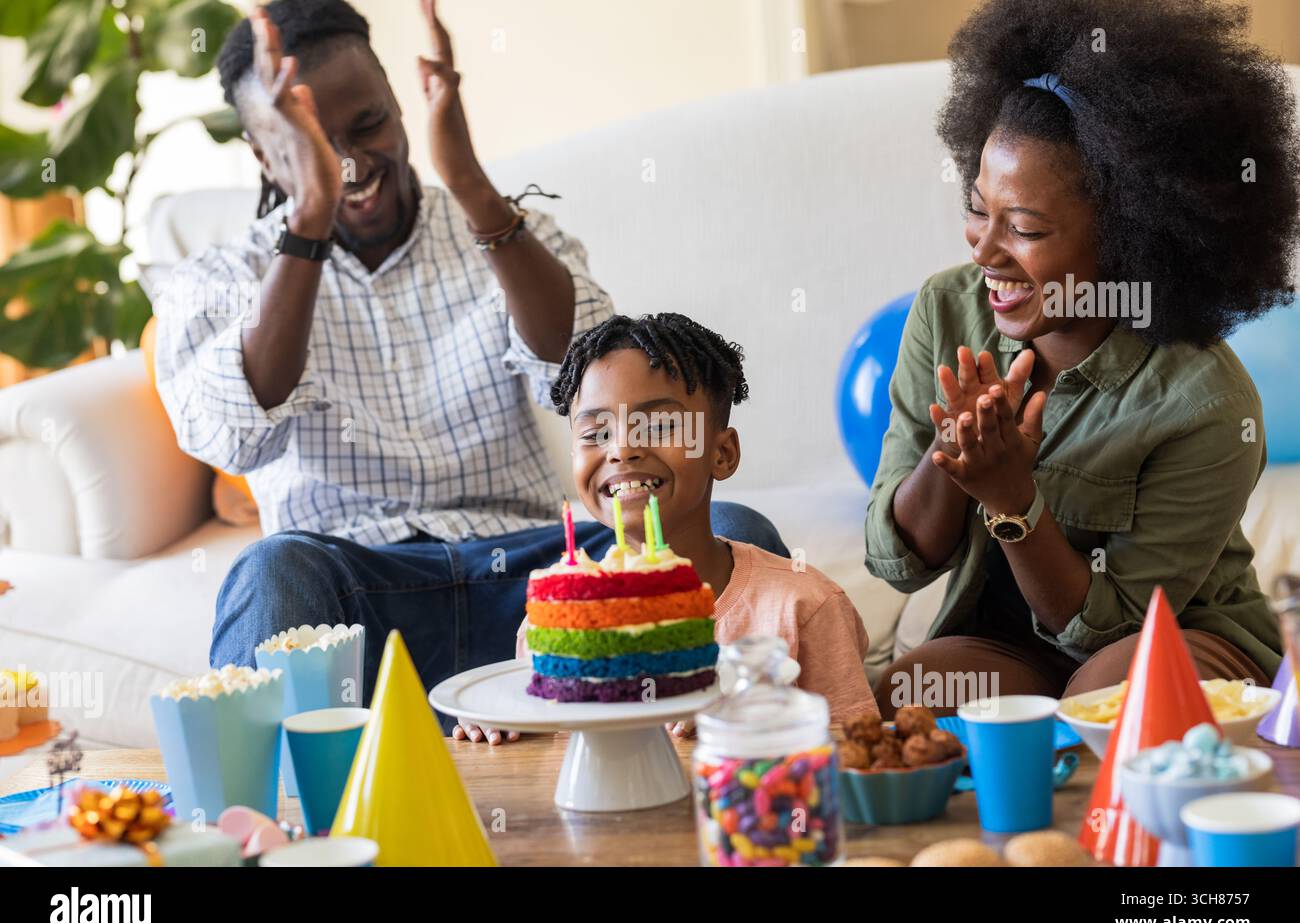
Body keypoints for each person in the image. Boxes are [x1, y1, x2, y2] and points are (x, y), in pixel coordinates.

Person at [153, 0, 786, 718]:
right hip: (349, 595)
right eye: (318, 146)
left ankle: (754, 787)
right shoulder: (218, 279)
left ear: (400, 105)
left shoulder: (504, 228)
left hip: (536, 574)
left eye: (370, 126)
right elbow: (229, 432)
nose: (354, 162)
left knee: (736, 532)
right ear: (268, 156)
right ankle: (279, 826)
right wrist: (311, 216)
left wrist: (472, 185)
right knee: (268, 570)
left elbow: (588, 379)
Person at [866, 0, 1299, 718]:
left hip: (1175, 635)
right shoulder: (947, 309)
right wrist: (950, 456)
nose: (983, 247)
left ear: (1131, 236)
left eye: (1025, 227)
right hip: (1013, 645)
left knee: (1110, 692)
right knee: (909, 691)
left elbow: (1115, 624)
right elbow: (898, 560)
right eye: (979, 207)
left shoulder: (1207, 404)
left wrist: (1012, 501)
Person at [456, 314, 878, 743]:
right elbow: (546, 763)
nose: (622, 449)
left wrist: (751, 724)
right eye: (596, 432)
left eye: (658, 427)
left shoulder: (803, 607)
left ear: (723, 453)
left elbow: (855, 758)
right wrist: (503, 728)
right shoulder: (558, 623)